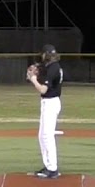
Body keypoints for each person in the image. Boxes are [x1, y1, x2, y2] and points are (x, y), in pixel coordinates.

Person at [27, 44, 63, 178]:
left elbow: (43, 90)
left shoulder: (53, 68)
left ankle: (53, 169)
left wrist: (33, 80)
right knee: (42, 136)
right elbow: (43, 70)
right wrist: (37, 69)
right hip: (48, 102)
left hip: (51, 103)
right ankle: (48, 165)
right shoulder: (52, 66)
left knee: (47, 136)